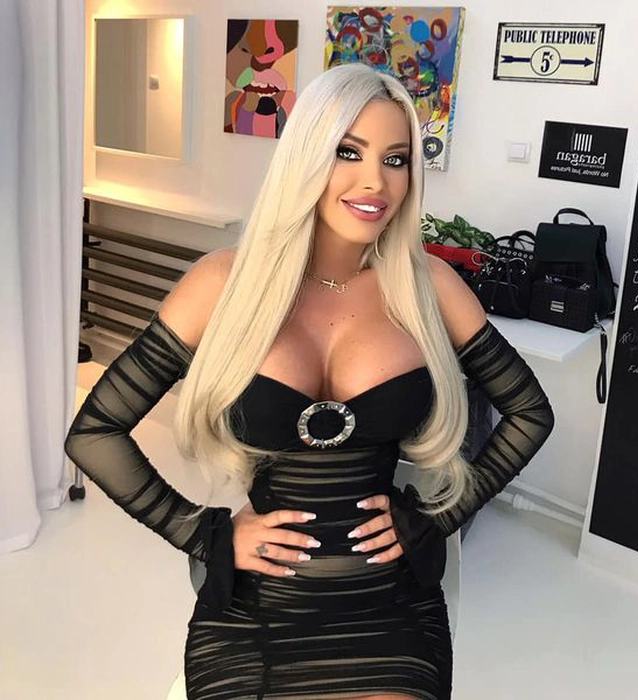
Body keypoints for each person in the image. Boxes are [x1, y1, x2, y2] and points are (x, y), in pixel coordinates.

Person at [65, 63, 554, 700]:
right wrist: (200, 532)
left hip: (387, 609)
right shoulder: (223, 284)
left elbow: (530, 413)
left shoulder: (428, 285)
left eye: (396, 159)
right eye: (348, 152)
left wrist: (441, 518)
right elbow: (95, 431)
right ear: (305, 156)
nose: (375, 181)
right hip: (257, 612)